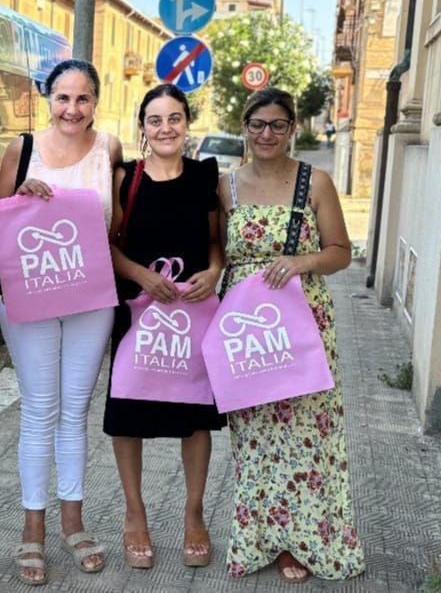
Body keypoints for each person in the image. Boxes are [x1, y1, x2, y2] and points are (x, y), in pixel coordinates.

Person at [217, 87, 365, 583]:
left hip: (303, 321)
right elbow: (217, 254)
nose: (267, 134)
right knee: (255, 435)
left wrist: (302, 262)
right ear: (245, 127)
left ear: (292, 129)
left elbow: (340, 251)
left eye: (277, 125)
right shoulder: (225, 187)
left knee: (306, 434)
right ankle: (261, 539)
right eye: (257, 124)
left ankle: (301, 541)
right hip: (246, 328)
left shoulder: (314, 181)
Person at [0, 59, 121, 585]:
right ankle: (32, 529)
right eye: (63, 98)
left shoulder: (110, 148)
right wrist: (20, 197)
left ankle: (73, 522)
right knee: (39, 409)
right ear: (49, 99)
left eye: (83, 98)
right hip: (32, 294)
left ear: (95, 102)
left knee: (75, 410)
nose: (72, 108)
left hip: (91, 296)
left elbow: (117, 223)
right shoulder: (22, 149)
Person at [105, 84, 225, 571]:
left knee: (194, 416)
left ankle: (194, 514)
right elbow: (107, 244)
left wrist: (214, 271)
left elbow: (216, 241)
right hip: (138, 311)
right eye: (155, 120)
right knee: (128, 411)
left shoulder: (205, 177)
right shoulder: (125, 178)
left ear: (187, 123)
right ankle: (134, 516)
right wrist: (140, 275)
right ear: (143, 127)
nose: (165, 128)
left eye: (174, 118)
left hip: (192, 313)